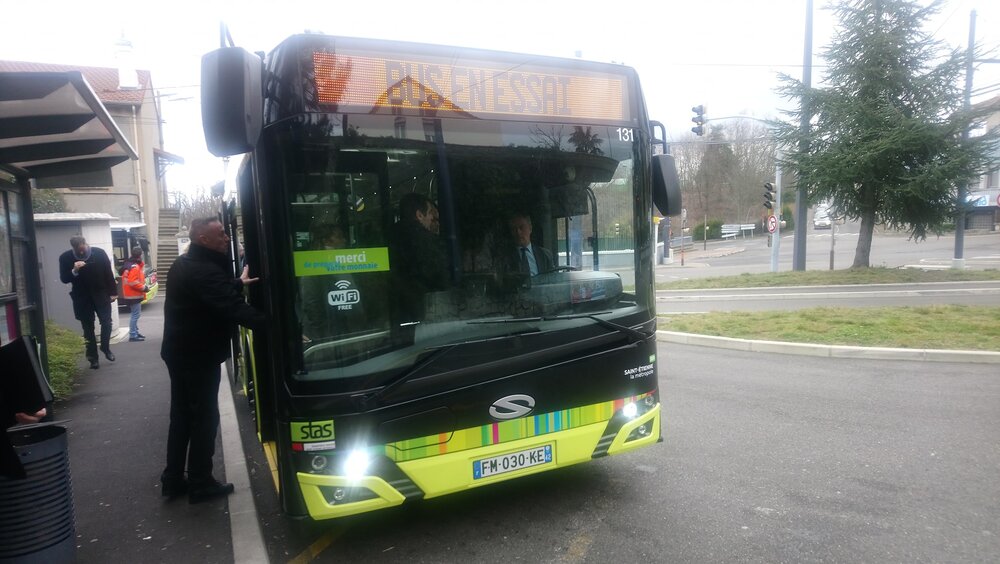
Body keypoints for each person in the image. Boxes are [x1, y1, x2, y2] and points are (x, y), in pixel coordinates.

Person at [160, 217, 266, 504]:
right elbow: (233, 309)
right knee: (204, 418)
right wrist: (282, 327)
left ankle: (173, 480)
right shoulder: (203, 270)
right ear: (203, 239)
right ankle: (200, 482)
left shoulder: (185, 264)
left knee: (181, 417)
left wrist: (235, 282)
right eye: (220, 234)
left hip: (180, 353)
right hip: (198, 356)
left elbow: (208, 293)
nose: (227, 238)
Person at [59, 236, 118, 369]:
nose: (81, 253)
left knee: (107, 322)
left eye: (83, 250)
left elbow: (108, 273)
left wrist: (113, 292)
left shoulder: (99, 253)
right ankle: (93, 358)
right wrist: (74, 270)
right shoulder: (65, 257)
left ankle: (105, 348)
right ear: (73, 247)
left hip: (101, 294)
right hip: (81, 297)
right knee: (88, 328)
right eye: (78, 251)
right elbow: (64, 279)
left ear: (85, 244)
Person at [389, 193, 449, 323]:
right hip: (423, 306)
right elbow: (439, 276)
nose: (433, 218)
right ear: (419, 215)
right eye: (430, 213)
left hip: (397, 308)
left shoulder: (389, 236)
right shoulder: (426, 241)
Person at [120, 246, 149, 342]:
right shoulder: (135, 267)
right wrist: (144, 288)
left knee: (134, 314)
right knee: (135, 315)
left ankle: (135, 332)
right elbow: (133, 282)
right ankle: (133, 334)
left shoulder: (129, 265)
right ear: (140, 255)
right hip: (134, 295)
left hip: (129, 294)